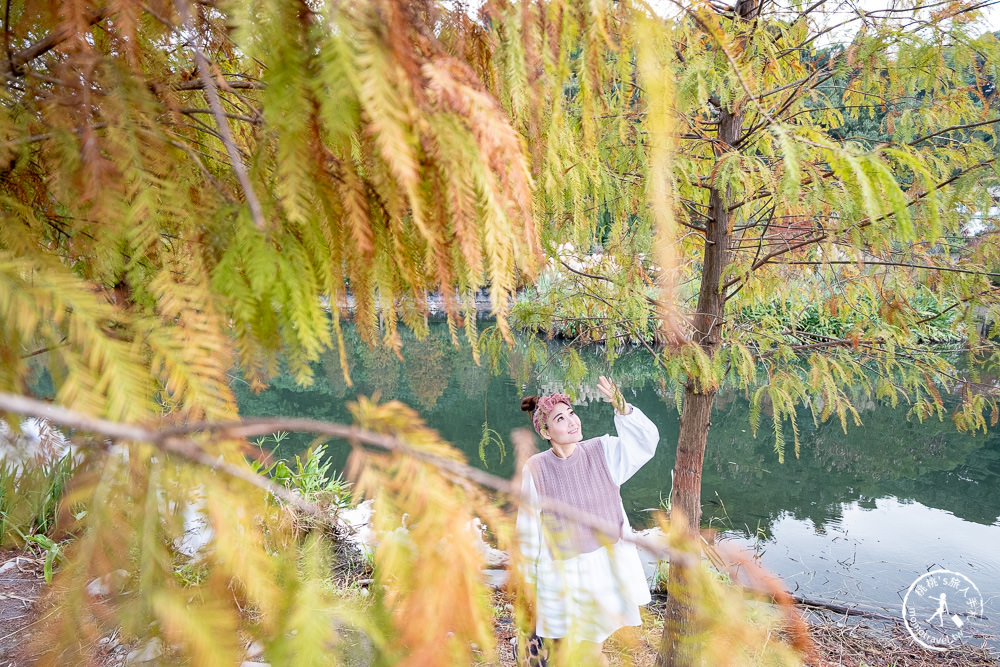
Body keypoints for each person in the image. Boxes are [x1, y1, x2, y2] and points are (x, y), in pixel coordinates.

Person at [515, 376, 659, 666]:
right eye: (560, 418)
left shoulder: (602, 451)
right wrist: (527, 585)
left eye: (572, 413)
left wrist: (621, 406)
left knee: (590, 652)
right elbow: (528, 532)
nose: (572, 421)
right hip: (561, 575)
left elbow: (646, 444)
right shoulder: (536, 469)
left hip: (604, 569)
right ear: (545, 432)